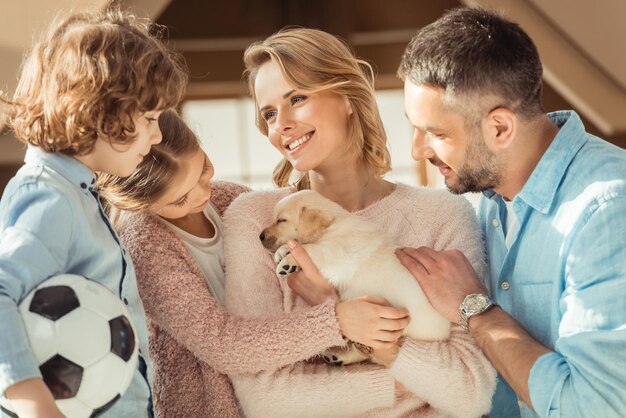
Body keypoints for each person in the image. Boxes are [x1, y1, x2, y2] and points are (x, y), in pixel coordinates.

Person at [221, 27, 497, 418]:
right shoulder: (256, 220)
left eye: (297, 98)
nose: (279, 124)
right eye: (268, 114)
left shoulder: (442, 215)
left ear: (348, 97)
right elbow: (265, 400)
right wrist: (405, 383)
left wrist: (370, 339)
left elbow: (470, 393)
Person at [97, 109, 411, 417]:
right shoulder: (145, 248)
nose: (201, 194)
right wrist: (335, 322)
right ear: (141, 205)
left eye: (203, 168)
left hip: (297, 394)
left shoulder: (232, 199)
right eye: (180, 199)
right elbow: (223, 344)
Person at [394, 7, 626, 418]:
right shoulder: (485, 201)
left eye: (436, 133)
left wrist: (476, 310)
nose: (418, 150)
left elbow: (597, 409)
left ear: (500, 128)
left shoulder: (607, 211)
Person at [0, 8, 187, 418]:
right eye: (151, 118)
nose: (156, 137)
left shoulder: (80, 194)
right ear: (103, 112)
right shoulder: (50, 196)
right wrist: (34, 402)